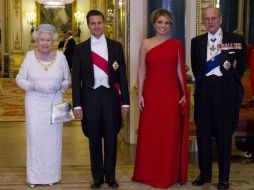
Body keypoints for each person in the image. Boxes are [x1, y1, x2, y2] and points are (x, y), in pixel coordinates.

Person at [72, 10, 129, 189]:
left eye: (99, 22)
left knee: (111, 137)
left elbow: (122, 76)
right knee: (94, 138)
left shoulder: (116, 47)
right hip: (90, 96)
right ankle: (97, 176)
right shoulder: (80, 49)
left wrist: (125, 101)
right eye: (93, 23)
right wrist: (77, 105)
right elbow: (76, 80)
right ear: (88, 26)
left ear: (104, 24)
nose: (96, 26)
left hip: (111, 96)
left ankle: (110, 176)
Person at [132, 8, 189, 189]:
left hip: (171, 95)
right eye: (160, 22)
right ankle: (148, 172)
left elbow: (180, 70)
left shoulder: (176, 44)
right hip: (152, 95)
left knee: (169, 134)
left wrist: (183, 95)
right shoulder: (146, 43)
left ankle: (168, 174)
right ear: (154, 24)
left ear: (170, 25)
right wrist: (140, 93)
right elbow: (141, 69)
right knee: (151, 135)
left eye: (167, 23)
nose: (163, 26)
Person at [191, 6, 246, 190]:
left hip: (225, 91)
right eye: (206, 18)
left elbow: (240, 68)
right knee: (203, 134)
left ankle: (224, 178)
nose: (210, 21)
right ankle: (205, 174)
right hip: (205, 91)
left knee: (223, 137)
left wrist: (228, 85)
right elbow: (197, 68)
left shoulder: (236, 40)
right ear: (203, 21)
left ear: (220, 19)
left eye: (213, 18)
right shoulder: (196, 42)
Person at [16, 24, 71, 187]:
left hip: (56, 102)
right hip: (34, 103)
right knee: (35, 139)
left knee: (54, 140)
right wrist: (33, 86)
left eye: (48, 40)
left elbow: (68, 79)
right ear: (36, 40)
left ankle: (52, 176)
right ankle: (34, 177)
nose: (45, 43)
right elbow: (19, 79)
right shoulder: (29, 56)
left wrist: (59, 86)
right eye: (41, 40)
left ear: (53, 40)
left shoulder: (61, 57)